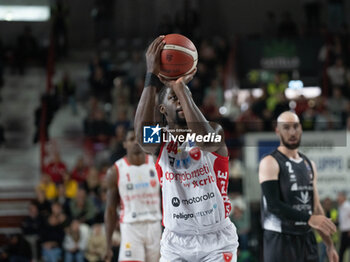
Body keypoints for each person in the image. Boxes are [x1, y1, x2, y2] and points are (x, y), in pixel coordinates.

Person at [134, 36, 238, 262]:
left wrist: (180, 87)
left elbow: (204, 141)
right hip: (176, 242)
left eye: (186, 97)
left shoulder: (214, 130)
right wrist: (151, 76)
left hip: (216, 241)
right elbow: (142, 138)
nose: (181, 101)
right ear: (162, 108)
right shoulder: (161, 140)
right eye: (174, 97)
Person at [259, 111, 338, 262]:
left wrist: (329, 245)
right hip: (280, 239)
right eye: (286, 128)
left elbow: (316, 208)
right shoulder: (270, 161)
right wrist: (310, 219)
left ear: (301, 128)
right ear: (277, 130)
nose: (292, 132)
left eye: (295, 127)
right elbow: (273, 205)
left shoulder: (309, 164)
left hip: (306, 239)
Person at [104, 129, 162, 262]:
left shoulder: (156, 164)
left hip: (155, 225)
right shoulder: (115, 170)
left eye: (138, 139)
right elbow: (111, 209)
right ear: (124, 144)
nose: (136, 142)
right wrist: (108, 245)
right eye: (131, 139)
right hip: (131, 227)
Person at [337, 192, 350, 262]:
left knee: (342, 250)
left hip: (348, 231)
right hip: (343, 231)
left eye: (340, 196)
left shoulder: (347, 206)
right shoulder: (340, 206)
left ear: (344, 198)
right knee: (341, 251)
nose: (338, 198)